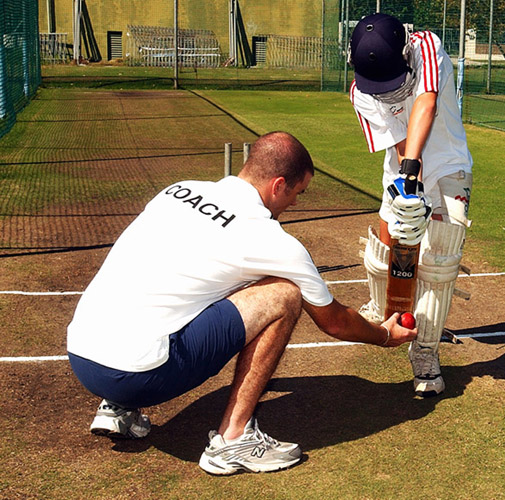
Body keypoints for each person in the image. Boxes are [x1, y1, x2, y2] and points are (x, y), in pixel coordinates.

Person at [66, 131, 417, 476]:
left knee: (185, 275)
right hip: (139, 375)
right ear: (278, 185)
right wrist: (384, 336)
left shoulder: (176, 190)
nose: (294, 203)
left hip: (82, 357)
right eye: (297, 193)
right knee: (284, 295)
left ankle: (117, 407)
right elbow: (335, 321)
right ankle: (233, 440)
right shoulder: (275, 242)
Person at [348, 13, 473, 397]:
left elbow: (426, 105)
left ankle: (425, 351)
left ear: (404, 52)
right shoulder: (360, 92)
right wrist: (408, 187)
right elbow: (396, 137)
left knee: (440, 260)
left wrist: (413, 170)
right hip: (402, 169)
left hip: (449, 165)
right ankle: (381, 307)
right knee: (387, 251)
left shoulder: (426, 47)